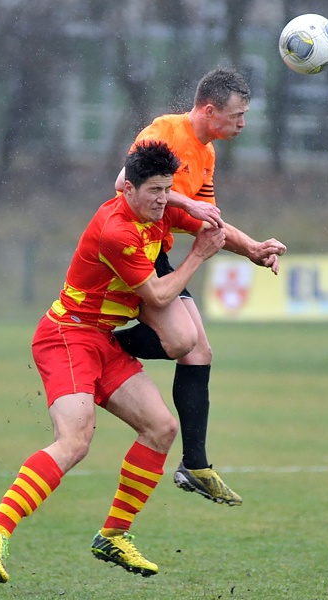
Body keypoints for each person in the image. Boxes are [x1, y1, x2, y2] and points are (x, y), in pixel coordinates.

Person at [0, 141, 230, 583]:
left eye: (168, 189)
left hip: (102, 340)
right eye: (154, 191)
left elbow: (212, 223)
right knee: (75, 440)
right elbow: (161, 296)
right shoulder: (116, 230)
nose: (163, 199)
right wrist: (199, 255)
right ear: (127, 188)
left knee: (161, 428)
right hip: (66, 337)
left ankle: (114, 534)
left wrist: (255, 249)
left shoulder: (158, 211)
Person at [112, 68, 287, 507]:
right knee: (180, 340)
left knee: (198, 351)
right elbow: (123, 185)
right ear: (211, 111)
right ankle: (103, 348)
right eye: (238, 115)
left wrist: (252, 248)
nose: (243, 124)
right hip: (132, 247)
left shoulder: (206, 154)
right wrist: (184, 199)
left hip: (160, 249)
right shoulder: (164, 132)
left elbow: (207, 223)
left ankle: (195, 465)